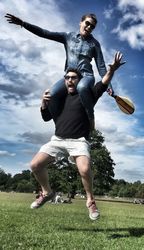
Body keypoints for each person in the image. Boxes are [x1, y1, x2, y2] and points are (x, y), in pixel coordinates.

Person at [29, 52, 125, 221]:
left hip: (79, 141)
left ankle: (90, 201)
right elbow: (46, 118)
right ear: (64, 80)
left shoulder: (86, 95)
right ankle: (47, 192)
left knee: (85, 169)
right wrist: (43, 103)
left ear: (79, 80)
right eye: (67, 77)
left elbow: (103, 84)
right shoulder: (58, 98)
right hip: (58, 139)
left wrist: (112, 70)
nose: (70, 80)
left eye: (74, 77)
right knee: (35, 165)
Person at [5, 13, 113, 129]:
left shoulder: (95, 44)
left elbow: (101, 66)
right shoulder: (68, 36)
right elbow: (45, 33)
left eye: (92, 27)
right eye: (87, 23)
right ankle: (61, 125)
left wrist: (108, 85)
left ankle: (90, 117)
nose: (89, 27)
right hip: (70, 76)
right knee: (52, 94)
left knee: (81, 87)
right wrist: (23, 24)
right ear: (80, 22)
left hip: (86, 76)